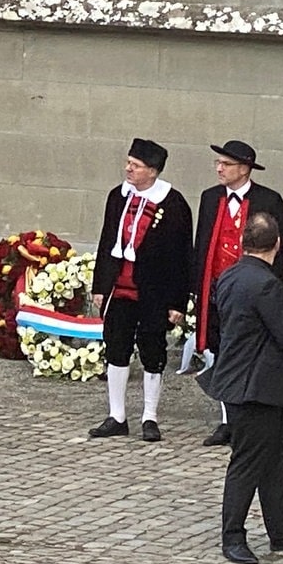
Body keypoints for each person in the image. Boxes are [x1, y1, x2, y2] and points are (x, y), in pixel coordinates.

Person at [202, 212, 283, 564]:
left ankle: (282, 530)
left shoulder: (229, 276)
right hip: (255, 385)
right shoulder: (266, 283)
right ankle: (233, 536)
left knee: (275, 461)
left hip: (247, 383)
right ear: (277, 244)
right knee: (247, 462)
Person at [87, 137, 192, 443]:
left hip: (154, 290)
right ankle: (116, 415)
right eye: (128, 163)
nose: (128, 169)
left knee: (152, 349)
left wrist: (177, 302)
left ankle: (150, 416)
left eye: (135, 165)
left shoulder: (173, 203)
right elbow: (107, 240)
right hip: (120, 286)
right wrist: (100, 284)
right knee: (116, 347)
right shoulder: (117, 196)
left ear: (153, 171)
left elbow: (182, 255)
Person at [193, 140, 283, 447]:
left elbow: (280, 252)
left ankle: (249, 416)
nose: (219, 169)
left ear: (245, 168)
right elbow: (202, 245)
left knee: (250, 352)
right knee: (222, 352)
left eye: (226, 164)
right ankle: (227, 420)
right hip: (219, 290)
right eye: (217, 163)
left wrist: (271, 291)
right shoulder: (210, 198)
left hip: (253, 291)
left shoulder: (269, 200)